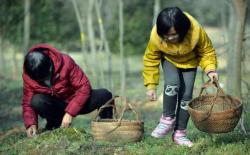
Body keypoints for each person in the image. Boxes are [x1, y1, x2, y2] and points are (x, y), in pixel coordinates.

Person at [143, 7, 218, 147]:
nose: (170, 38)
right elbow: (150, 59)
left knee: (187, 97)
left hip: (190, 63)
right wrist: (151, 85)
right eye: (167, 36)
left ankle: (180, 133)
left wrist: (210, 70)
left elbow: (206, 51)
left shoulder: (196, 31)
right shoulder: (156, 36)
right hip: (169, 60)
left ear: (183, 30)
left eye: (174, 35)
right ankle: (167, 119)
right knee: (172, 84)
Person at [22, 44, 113, 138]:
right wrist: (31, 124)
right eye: (41, 79)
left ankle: (107, 129)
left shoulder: (65, 62)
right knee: (37, 100)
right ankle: (54, 126)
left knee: (104, 95)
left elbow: (84, 87)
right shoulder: (29, 77)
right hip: (57, 106)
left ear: (49, 64)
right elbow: (27, 102)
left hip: (77, 100)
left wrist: (70, 113)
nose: (45, 80)